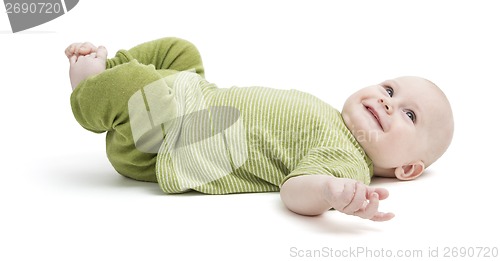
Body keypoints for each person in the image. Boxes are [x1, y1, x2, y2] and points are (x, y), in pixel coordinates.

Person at [65, 37, 454, 222]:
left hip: (167, 142)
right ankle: (112, 68)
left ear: (408, 169)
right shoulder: (334, 120)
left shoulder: (348, 162)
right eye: (389, 89)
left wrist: (329, 193)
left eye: (409, 115)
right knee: (182, 53)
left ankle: (89, 87)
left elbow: (293, 191)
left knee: (130, 85)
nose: (388, 101)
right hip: (191, 96)